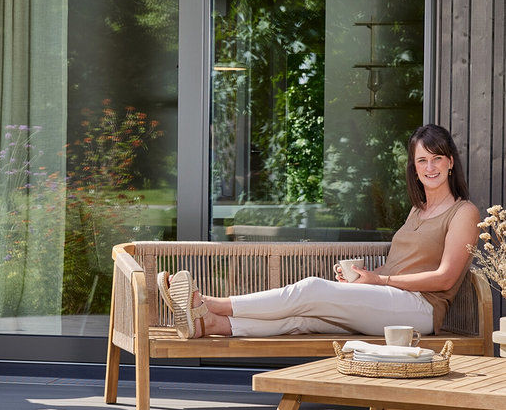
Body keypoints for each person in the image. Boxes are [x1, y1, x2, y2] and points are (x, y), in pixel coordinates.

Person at [159, 124, 481, 340]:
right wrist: (364, 275)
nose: (430, 167)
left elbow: (445, 278)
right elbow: (403, 266)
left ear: (450, 162)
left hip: (421, 310)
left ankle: (211, 303)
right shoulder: (418, 209)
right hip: (391, 298)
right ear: (414, 166)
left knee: (312, 289)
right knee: (305, 319)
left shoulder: (463, 212)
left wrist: (380, 281)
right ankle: (210, 325)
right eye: (422, 160)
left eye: (437, 159)